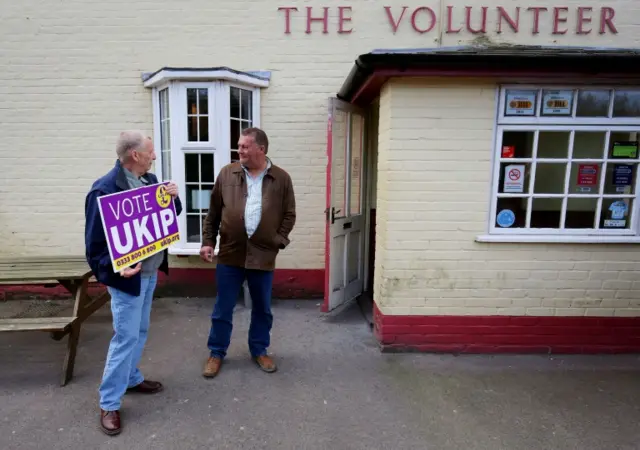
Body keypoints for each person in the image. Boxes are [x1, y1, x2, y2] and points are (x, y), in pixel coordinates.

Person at [84, 130, 182, 436]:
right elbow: (95, 248)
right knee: (124, 337)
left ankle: (131, 378)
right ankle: (109, 402)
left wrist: (174, 201)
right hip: (127, 279)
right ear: (135, 156)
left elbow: (167, 218)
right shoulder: (103, 191)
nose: (154, 156)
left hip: (151, 272)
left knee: (139, 331)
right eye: (150, 152)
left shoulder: (151, 183)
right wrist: (116, 272)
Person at [200, 127, 296, 378]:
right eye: (239, 145)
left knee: (262, 307)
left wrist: (278, 240)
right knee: (223, 307)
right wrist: (208, 241)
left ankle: (259, 350)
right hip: (231, 253)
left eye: (244, 146)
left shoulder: (281, 178)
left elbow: (289, 214)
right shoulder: (226, 173)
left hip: (263, 255)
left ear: (260, 149)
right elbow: (213, 212)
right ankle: (216, 352)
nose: (239, 150)